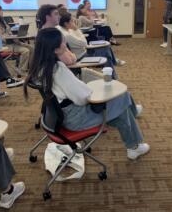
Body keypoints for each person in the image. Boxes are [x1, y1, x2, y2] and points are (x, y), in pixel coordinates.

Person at [24, 28, 150, 160]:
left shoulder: (39, 67)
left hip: (58, 117)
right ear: (55, 49)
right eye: (62, 42)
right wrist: (90, 90)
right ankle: (134, 146)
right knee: (122, 98)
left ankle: (133, 146)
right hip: (75, 119)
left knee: (120, 109)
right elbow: (82, 98)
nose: (65, 43)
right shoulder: (58, 69)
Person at [59, 13, 120, 78]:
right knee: (106, 51)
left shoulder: (69, 30)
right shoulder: (68, 35)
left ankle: (113, 72)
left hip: (84, 51)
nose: (74, 23)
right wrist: (77, 29)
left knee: (106, 48)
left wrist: (78, 33)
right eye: (72, 21)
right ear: (66, 23)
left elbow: (82, 41)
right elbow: (84, 43)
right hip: (81, 56)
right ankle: (113, 73)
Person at [0, 5, 33, 76]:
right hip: (4, 46)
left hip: (11, 42)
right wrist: (10, 37)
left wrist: (13, 35)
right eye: (1, 11)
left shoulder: (1, 21)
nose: (2, 12)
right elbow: (0, 38)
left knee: (31, 47)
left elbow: (9, 31)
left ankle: (31, 68)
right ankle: (21, 70)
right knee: (26, 50)